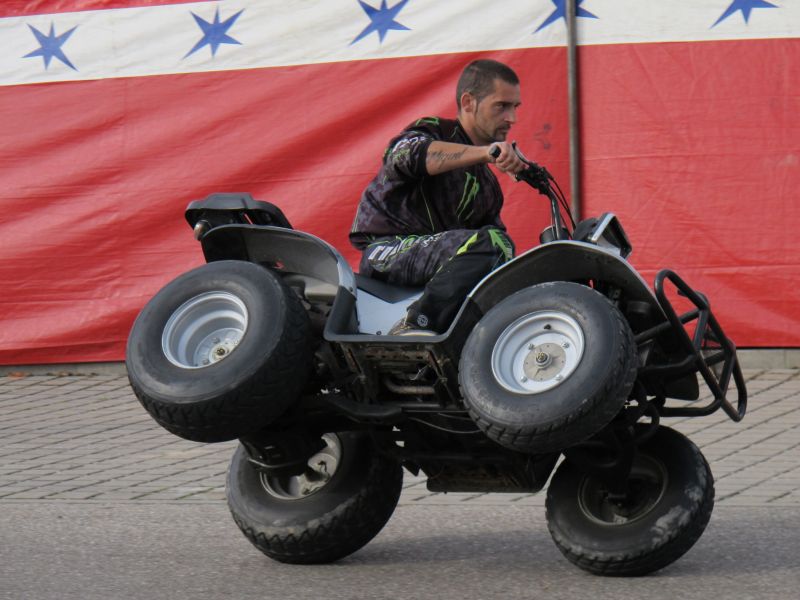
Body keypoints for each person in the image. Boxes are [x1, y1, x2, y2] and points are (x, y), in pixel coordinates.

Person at [349, 59, 527, 334]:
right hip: (386, 252)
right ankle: (414, 325)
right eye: (501, 106)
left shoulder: (488, 186)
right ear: (468, 102)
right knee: (493, 243)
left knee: (503, 254)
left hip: (434, 266)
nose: (512, 118)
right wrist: (486, 153)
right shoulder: (434, 130)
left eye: (515, 107)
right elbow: (403, 156)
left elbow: (491, 254)